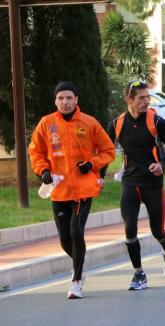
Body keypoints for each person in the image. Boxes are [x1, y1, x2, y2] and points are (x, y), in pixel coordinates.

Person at [28, 81, 116, 299]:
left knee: (76, 231)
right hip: (58, 190)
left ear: (76, 100)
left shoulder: (89, 122)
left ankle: (76, 281)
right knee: (65, 239)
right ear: (55, 100)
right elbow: (35, 151)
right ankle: (80, 263)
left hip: (83, 189)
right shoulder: (46, 123)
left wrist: (92, 164)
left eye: (68, 98)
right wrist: (43, 171)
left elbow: (108, 150)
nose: (64, 102)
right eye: (60, 98)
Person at [107, 80, 165, 291]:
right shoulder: (118, 123)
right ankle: (139, 273)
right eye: (141, 98)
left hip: (152, 183)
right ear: (129, 99)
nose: (146, 101)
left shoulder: (156, 121)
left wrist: (162, 164)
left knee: (158, 231)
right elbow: (105, 151)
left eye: (147, 97)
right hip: (130, 182)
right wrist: (99, 175)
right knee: (130, 229)